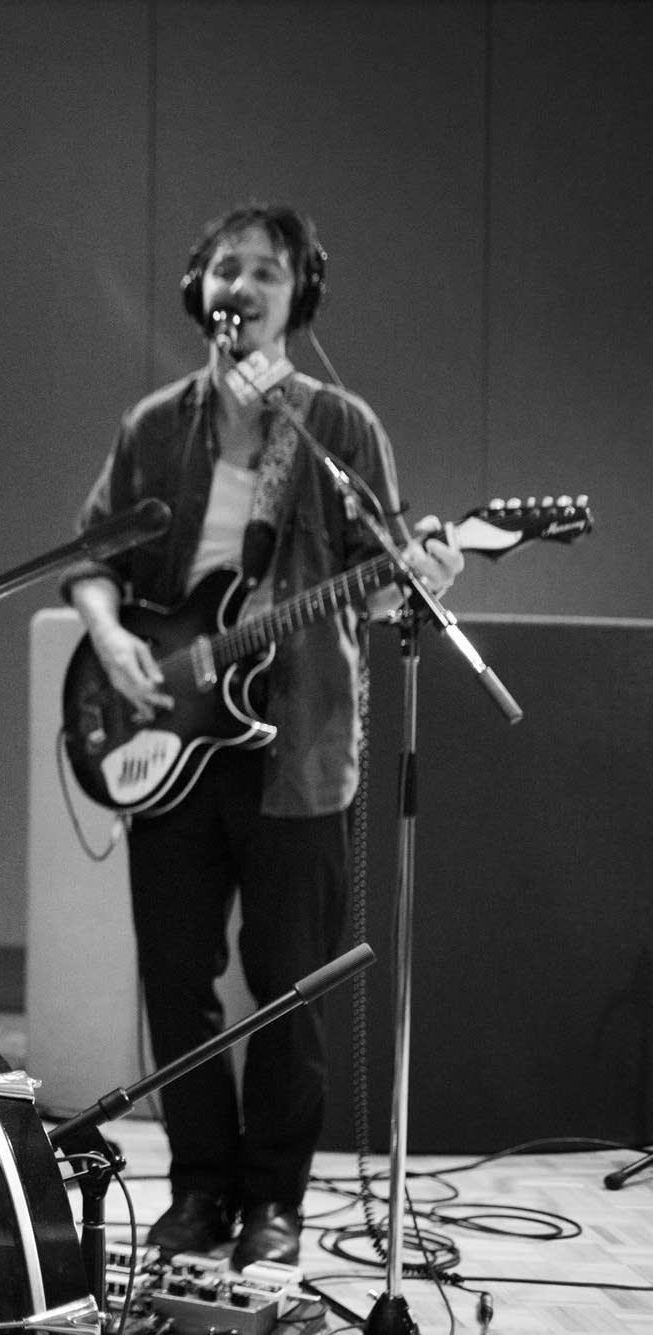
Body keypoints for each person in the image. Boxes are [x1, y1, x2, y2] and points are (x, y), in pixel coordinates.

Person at [62, 203, 463, 1269]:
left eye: (265, 276)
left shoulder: (336, 430)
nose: (239, 289)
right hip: (167, 742)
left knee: (291, 982)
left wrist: (420, 570)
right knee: (174, 977)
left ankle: (270, 1202)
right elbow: (93, 557)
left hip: (298, 749)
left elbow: (381, 593)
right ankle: (196, 1189)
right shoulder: (153, 425)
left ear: (298, 299)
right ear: (197, 292)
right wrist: (106, 636)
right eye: (223, 271)